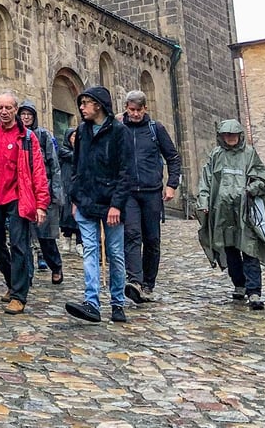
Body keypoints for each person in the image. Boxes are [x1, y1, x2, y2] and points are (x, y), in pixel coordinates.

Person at [64, 86, 133, 324]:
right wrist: (75, 197)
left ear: (99, 105)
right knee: (90, 250)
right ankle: (91, 302)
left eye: (86, 103)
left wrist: (117, 205)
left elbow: (126, 171)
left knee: (115, 252)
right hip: (85, 200)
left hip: (112, 201)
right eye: (81, 103)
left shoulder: (119, 132)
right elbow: (77, 166)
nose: (81, 108)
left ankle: (117, 302)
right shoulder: (82, 131)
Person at [0, 91, 49, 314]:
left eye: (8, 108)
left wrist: (41, 204)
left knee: (19, 245)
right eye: (1, 107)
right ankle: (13, 281)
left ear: (15, 110)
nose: (4, 112)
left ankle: (19, 295)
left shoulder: (27, 137)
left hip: (18, 197)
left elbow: (38, 170)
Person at [196, 119, 265, 311]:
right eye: (227, 135)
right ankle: (239, 284)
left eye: (233, 135)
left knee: (250, 250)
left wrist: (251, 189)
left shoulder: (249, 154)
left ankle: (254, 291)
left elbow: (263, 179)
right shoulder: (216, 155)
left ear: (239, 135)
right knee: (231, 251)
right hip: (224, 213)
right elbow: (206, 182)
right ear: (221, 136)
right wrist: (203, 203)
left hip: (246, 212)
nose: (230, 138)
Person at [121, 90, 182, 304]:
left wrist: (172, 184)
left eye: (139, 110)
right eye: (132, 110)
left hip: (152, 191)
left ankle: (148, 283)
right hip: (128, 192)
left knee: (152, 239)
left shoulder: (156, 129)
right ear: (127, 108)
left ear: (145, 109)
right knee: (131, 235)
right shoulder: (120, 128)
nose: (135, 114)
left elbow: (173, 157)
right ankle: (134, 281)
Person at [18, 99, 65, 285]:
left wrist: (56, 193)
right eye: (23, 114)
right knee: (24, 237)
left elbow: (54, 165)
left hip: (43, 189)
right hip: (24, 191)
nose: (26, 117)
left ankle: (56, 266)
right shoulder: (17, 135)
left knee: (46, 237)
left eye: (29, 114)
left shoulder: (43, 135)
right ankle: (26, 275)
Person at [56, 121, 81, 255]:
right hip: (66, 185)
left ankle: (79, 242)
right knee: (66, 214)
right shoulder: (64, 151)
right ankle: (66, 238)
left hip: (78, 186)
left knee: (78, 215)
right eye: (72, 136)